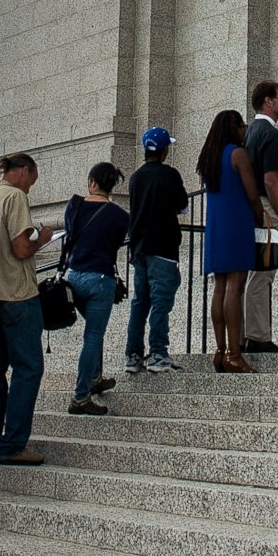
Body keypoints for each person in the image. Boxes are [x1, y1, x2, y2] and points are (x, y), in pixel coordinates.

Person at [0, 153, 54, 464]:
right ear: (22, 170)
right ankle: (13, 444)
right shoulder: (14, 197)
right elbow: (21, 248)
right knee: (28, 368)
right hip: (17, 294)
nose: (31, 188)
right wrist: (42, 239)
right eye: (32, 179)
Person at [61, 164, 129, 414]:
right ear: (112, 186)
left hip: (74, 275)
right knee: (93, 335)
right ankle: (81, 396)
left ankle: (94, 379)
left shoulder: (74, 205)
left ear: (92, 182)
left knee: (93, 331)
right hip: (101, 279)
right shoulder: (121, 216)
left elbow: (69, 233)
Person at [198, 110, 262, 371]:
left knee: (220, 287)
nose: (244, 130)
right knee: (236, 287)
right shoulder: (238, 154)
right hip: (237, 222)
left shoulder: (209, 156)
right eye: (242, 126)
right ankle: (234, 353)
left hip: (215, 226)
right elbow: (252, 194)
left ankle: (221, 349)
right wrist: (262, 217)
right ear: (234, 127)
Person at [121, 128, 185, 374]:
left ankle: (133, 354)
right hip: (163, 245)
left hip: (139, 247)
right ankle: (158, 353)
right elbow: (182, 204)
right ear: (164, 150)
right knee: (161, 301)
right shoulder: (169, 175)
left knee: (140, 302)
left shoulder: (136, 177)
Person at [242, 82, 278, 353]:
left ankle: (248, 333)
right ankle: (258, 335)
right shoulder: (271, 135)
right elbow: (271, 180)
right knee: (264, 272)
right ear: (267, 102)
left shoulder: (248, 132)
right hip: (266, 207)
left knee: (254, 272)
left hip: (250, 206)